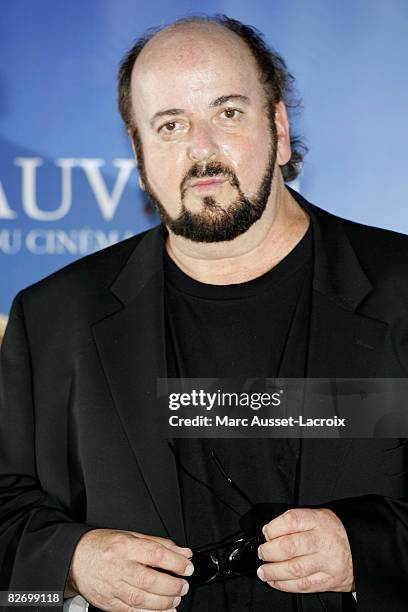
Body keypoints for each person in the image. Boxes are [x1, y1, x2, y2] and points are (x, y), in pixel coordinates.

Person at [1, 14, 408, 612]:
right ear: (139, 157)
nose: (202, 150)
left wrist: (370, 555)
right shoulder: (53, 318)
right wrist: (71, 565)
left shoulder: (400, 289)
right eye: (169, 125)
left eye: (228, 113)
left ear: (280, 128)